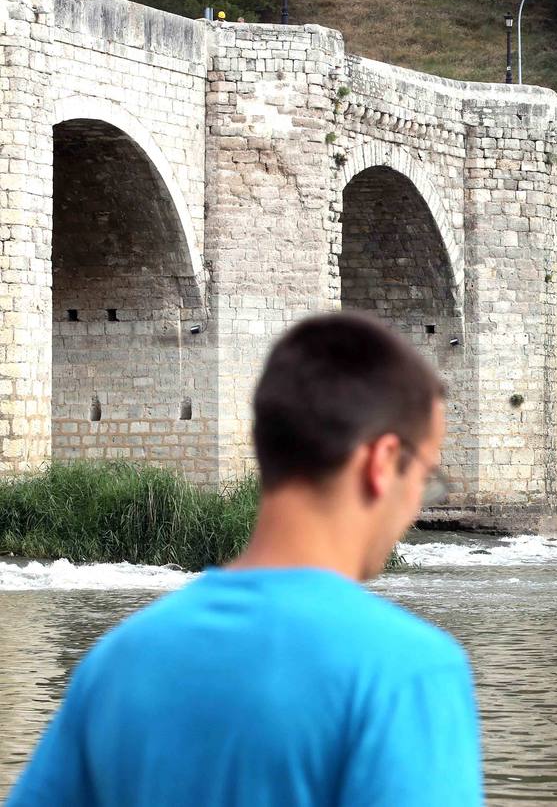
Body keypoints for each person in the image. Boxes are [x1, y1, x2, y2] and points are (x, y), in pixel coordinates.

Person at [7, 312, 483, 806]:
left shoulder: (115, 661)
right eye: (426, 477)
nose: (418, 505)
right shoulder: (409, 672)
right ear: (382, 462)